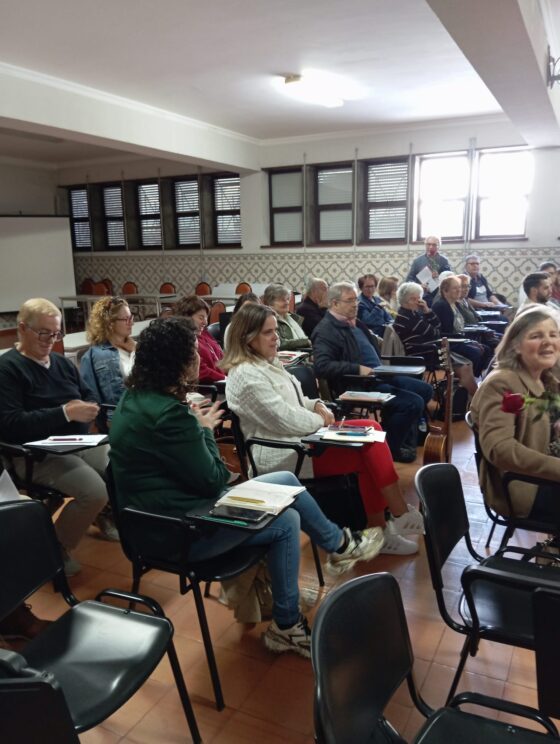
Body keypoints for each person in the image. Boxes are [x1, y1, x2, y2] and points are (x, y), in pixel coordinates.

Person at [109, 316, 384, 659]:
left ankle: (338, 545)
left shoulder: (133, 399)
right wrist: (204, 429)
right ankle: (287, 625)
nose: (199, 359)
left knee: (287, 482)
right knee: (285, 524)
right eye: (192, 353)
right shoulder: (170, 415)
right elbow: (214, 480)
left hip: (154, 517)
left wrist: (194, 426)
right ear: (175, 365)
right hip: (178, 530)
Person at [222, 303, 424, 554]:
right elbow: (284, 419)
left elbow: (296, 401)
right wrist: (322, 420)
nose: (276, 337)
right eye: (268, 332)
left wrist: (317, 404)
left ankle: (386, 524)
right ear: (247, 337)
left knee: (371, 428)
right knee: (367, 451)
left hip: (302, 440)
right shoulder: (245, 375)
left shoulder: (267, 363)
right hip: (281, 454)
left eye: (275, 330)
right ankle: (392, 519)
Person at [0, 298, 110, 574]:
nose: (51, 340)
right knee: (94, 491)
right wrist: (64, 413)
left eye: (56, 333)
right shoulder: (8, 369)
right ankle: (52, 548)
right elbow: (11, 424)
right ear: (22, 328)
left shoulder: (61, 363)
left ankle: (103, 515)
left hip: (77, 444)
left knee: (122, 465)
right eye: (44, 333)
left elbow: (88, 394)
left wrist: (90, 406)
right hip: (38, 454)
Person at [312, 282, 433, 463]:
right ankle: (390, 448)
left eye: (356, 300)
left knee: (425, 390)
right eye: (350, 300)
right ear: (334, 303)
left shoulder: (354, 322)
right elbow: (322, 366)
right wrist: (357, 369)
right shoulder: (326, 330)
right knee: (411, 402)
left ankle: (404, 438)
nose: (355, 304)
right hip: (357, 383)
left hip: (378, 375)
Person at [470, 307, 560, 526]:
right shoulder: (504, 384)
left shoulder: (545, 378)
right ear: (516, 346)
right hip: (522, 488)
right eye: (536, 336)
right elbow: (500, 449)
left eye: (553, 334)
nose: (548, 342)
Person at [394, 282, 478, 396]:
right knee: (464, 367)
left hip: (429, 349)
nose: (418, 302)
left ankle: (469, 401)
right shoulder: (406, 317)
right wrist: (434, 329)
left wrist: (427, 310)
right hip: (422, 353)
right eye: (413, 299)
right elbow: (435, 333)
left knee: (468, 365)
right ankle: (473, 402)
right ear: (403, 300)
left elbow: (437, 326)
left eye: (419, 298)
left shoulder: (413, 314)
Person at [80, 296, 136, 430]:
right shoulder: (96, 355)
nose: (131, 323)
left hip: (144, 413)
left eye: (131, 318)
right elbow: (92, 399)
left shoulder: (137, 347)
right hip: (120, 418)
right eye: (126, 319)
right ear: (109, 323)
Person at [432, 276, 493, 376]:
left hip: (459, 339)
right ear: (445, 291)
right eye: (455, 288)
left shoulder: (454, 304)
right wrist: (468, 340)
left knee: (486, 349)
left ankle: (476, 378)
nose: (459, 290)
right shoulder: (441, 306)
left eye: (459, 287)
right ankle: (468, 380)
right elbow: (444, 332)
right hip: (449, 343)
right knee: (476, 352)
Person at [174, 295, 225, 383]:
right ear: (186, 317)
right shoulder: (184, 340)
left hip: (222, 382)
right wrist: (226, 379)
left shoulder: (204, 334)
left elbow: (222, 358)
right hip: (209, 389)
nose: (205, 322)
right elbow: (202, 372)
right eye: (201, 318)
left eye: (206, 317)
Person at [263, 284, 311, 351]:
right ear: (270, 303)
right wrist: (305, 342)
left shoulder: (293, 318)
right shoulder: (269, 321)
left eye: (288, 299)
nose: (287, 302)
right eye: (282, 300)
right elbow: (279, 343)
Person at [405, 235, 451, 305]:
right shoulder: (417, 261)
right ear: (425, 245)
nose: (431, 247)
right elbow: (409, 280)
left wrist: (438, 277)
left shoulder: (444, 261)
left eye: (434, 245)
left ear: (438, 246)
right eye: (428, 244)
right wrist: (419, 286)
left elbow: (450, 280)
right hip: (421, 297)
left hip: (439, 298)